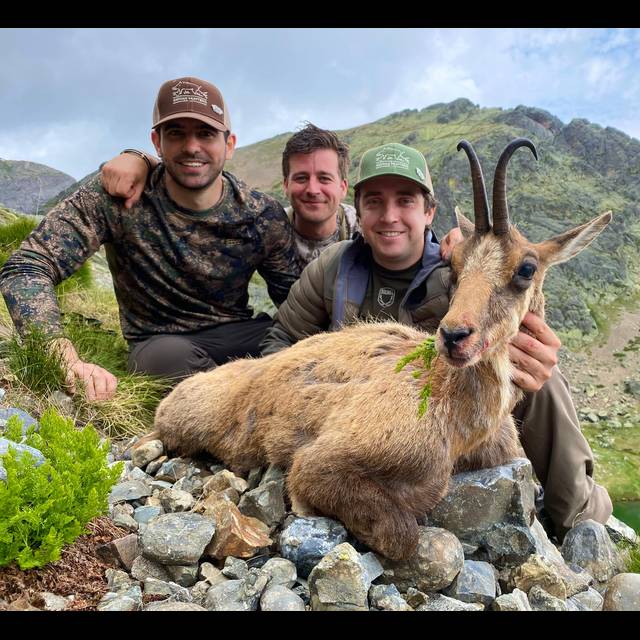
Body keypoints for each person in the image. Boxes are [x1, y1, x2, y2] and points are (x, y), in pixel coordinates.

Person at [259, 141, 613, 541]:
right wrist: (294, 395)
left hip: (439, 406)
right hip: (362, 417)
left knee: (541, 380)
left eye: (405, 201)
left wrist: (533, 353)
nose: (390, 215)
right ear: (358, 212)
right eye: (375, 201)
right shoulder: (334, 266)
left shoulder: (459, 273)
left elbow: (502, 299)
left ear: (429, 212)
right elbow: (282, 341)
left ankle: (582, 523)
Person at [0, 76, 300, 402]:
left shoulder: (260, 213)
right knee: (165, 361)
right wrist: (58, 351)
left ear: (229, 144)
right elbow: (27, 266)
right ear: (157, 142)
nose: (191, 146)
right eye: (176, 133)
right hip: (160, 343)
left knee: (300, 347)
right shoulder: (116, 198)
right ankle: (249, 407)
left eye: (206, 133)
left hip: (238, 333)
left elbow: (298, 300)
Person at [101, 122, 361, 270]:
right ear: (285, 184)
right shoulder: (267, 226)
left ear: (343, 186)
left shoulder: (364, 227)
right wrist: (140, 158)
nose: (313, 189)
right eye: (301, 178)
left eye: (325, 179)